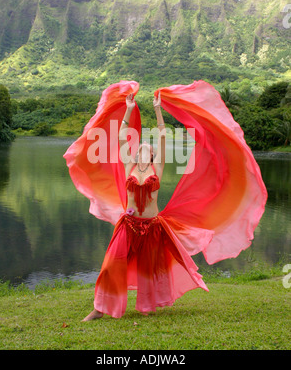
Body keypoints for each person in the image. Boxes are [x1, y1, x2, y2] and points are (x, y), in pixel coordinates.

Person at [63, 80, 267, 321]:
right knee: (111, 265)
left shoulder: (156, 169)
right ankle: (99, 309)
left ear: (152, 155)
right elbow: (121, 136)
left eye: (147, 151)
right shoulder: (129, 165)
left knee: (152, 270)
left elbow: (161, 134)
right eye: (140, 149)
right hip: (127, 226)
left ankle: (150, 303)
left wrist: (158, 109)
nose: (143, 152)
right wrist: (129, 108)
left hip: (152, 228)